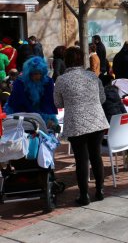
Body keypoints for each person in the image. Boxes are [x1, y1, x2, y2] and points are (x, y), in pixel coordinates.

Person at [54, 47, 109, 205]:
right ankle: (100, 190)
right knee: (96, 156)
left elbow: (58, 103)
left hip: (76, 124)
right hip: (96, 121)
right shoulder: (92, 76)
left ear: (66, 61)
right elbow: (102, 98)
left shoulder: (61, 80)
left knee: (81, 160)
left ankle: (84, 195)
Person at [4, 56, 59, 130]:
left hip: (41, 111)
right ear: (29, 73)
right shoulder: (20, 82)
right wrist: (34, 116)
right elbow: (19, 102)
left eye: (39, 73)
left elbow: (48, 101)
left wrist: (46, 118)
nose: (37, 76)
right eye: (34, 73)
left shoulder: (48, 82)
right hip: (21, 111)